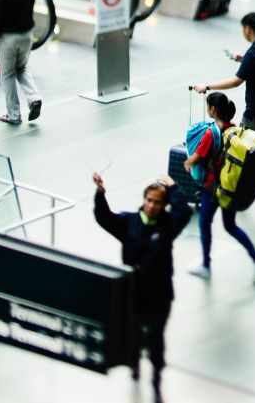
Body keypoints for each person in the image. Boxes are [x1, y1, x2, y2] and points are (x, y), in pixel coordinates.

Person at [90, 171, 195, 402]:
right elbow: (104, 217)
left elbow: (185, 212)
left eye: (158, 202)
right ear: (143, 200)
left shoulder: (168, 227)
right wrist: (100, 193)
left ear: (163, 205)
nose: (152, 205)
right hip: (134, 294)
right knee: (134, 333)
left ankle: (156, 380)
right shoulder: (130, 222)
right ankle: (135, 363)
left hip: (159, 295)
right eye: (149, 200)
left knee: (156, 338)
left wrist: (173, 188)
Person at [194, 12, 255, 202]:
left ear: (247, 29)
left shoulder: (254, 54)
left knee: (235, 147)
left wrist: (207, 86)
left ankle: (230, 188)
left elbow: (236, 82)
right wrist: (243, 59)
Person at [180, 93, 255, 282]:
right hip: (230, 185)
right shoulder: (234, 130)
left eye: (208, 106)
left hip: (212, 187)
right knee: (230, 225)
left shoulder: (211, 133)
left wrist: (187, 163)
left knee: (204, 223)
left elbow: (197, 157)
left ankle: (205, 265)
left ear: (213, 109)